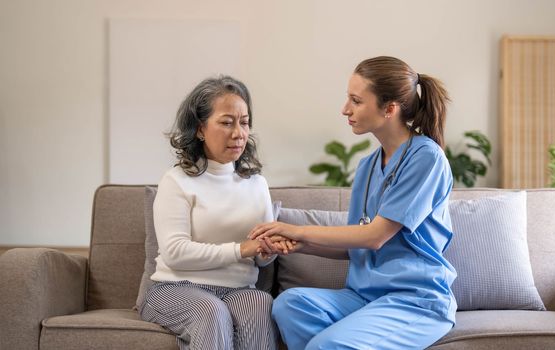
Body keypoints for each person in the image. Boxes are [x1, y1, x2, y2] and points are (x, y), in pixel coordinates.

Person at [250, 56, 457, 349]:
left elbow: (374, 237)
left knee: (325, 345)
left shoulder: (425, 158)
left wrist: (298, 230)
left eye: (356, 101)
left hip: (415, 300)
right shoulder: (368, 166)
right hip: (364, 297)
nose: (345, 109)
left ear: (389, 109)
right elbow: (353, 243)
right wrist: (297, 243)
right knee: (290, 304)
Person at [140, 75, 287, 350]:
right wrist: (241, 249)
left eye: (244, 122)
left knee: (260, 304)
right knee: (211, 312)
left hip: (238, 289)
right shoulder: (177, 181)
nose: (239, 133)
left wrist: (267, 251)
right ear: (200, 129)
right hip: (175, 288)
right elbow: (175, 252)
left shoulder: (257, 184)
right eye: (226, 122)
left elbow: (261, 260)